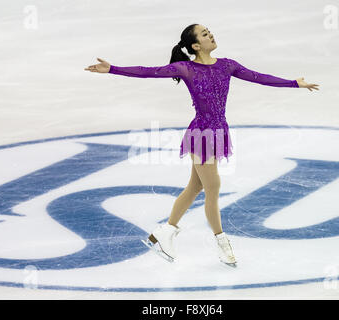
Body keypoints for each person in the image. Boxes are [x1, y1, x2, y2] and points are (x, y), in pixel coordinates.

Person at [84, 23, 319, 267]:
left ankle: (164, 233)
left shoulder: (227, 65)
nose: (211, 35)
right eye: (205, 34)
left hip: (218, 131)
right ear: (196, 45)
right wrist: (112, 69)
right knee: (213, 187)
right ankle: (221, 241)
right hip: (201, 134)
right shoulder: (186, 68)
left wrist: (293, 83)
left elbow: (259, 77)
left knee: (195, 188)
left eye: (210, 31)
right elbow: (147, 71)